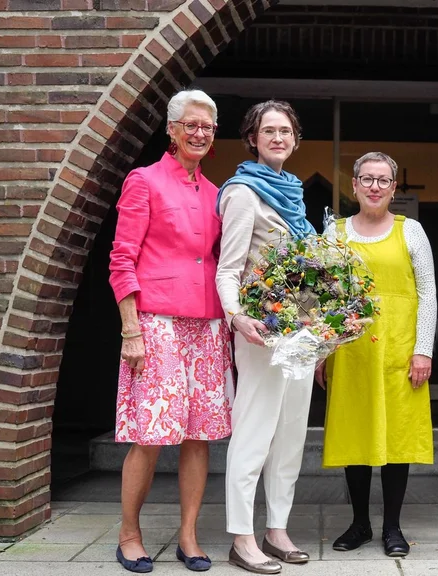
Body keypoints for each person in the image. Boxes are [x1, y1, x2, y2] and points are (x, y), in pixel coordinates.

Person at [109, 89, 234, 573]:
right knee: (151, 433)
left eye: (207, 126)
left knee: (199, 434)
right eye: (191, 124)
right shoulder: (144, 181)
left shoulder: (216, 191)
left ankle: (188, 536)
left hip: (207, 325)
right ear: (172, 129)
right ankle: (129, 534)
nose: (199, 133)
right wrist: (129, 329)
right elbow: (122, 259)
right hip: (156, 322)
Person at [316, 152, 437, 558]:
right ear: (353, 185)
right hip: (350, 354)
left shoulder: (412, 231)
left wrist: (423, 350)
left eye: (383, 180)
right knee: (356, 435)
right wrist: (321, 352)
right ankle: (360, 524)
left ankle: (393, 527)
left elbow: (428, 296)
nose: (374, 187)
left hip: (400, 352)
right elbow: (322, 298)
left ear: (393, 187)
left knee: (397, 439)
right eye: (367, 179)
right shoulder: (334, 234)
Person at [216, 100, 316, 574]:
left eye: (285, 131)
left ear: (295, 140)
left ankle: (277, 529)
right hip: (260, 333)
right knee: (255, 432)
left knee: (291, 434)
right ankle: (242, 536)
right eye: (268, 131)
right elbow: (228, 269)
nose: (278, 138)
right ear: (252, 139)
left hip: (300, 332)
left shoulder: (294, 193)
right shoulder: (241, 193)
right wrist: (237, 318)